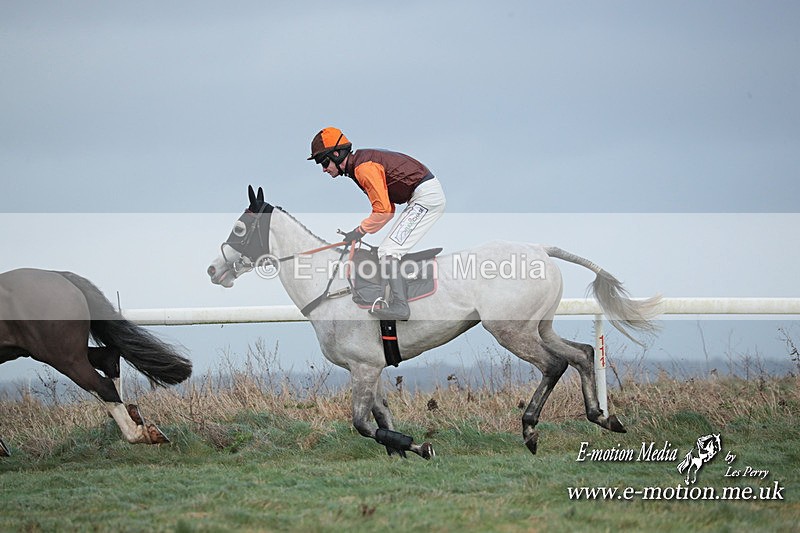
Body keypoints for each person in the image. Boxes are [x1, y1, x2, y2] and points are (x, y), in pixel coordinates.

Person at [308, 126, 446, 320]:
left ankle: (401, 306)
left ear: (337, 154)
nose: (323, 169)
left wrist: (359, 230)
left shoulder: (363, 169)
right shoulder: (359, 167)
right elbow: (387, 210)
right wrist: (361, 231)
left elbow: (382, 211)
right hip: (422, 195)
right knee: (387, 250)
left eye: (324, 162)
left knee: (388, 252)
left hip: (425, 198)